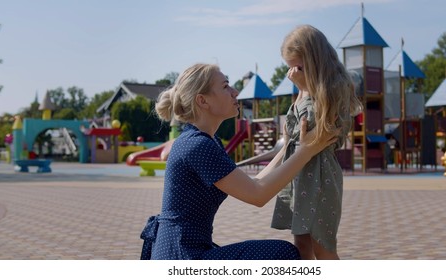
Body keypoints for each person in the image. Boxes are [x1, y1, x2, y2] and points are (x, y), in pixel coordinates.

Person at [140, 63, 338, 260]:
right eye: (226, 86)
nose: (235, 92)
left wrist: (287, 147)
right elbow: (258, 195)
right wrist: (308, 150)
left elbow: (254, 183)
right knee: (282, 254)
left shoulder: (207, 141)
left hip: (187, 251)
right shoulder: (197, 145)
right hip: (181, 256)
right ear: (203, 101)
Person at [270, 25, 363, 260]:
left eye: (298, 67)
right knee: (301, 243)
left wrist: (303, 88)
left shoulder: (331, 88)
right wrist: (301, 90)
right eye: (290, 67)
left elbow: (314, 128)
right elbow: (294, 131)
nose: (293, 73)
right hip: (299, 174)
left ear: (314, 61)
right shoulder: (306, 88)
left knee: (322, 246)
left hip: (319, 176)